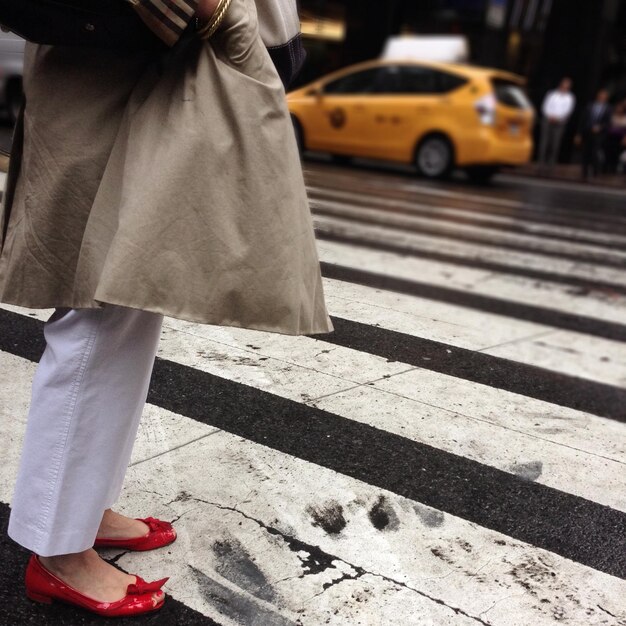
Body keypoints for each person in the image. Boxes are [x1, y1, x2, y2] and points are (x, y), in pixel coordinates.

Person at [0, 0, 333, 617]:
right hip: (119, 70)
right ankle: (57, 550)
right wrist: (212, 13)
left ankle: (83, 507)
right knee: (96, 308)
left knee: (128, 300)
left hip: (147, 64)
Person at [538, 77, 576, 171]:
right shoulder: (552, 94)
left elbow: (568, 111)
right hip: (548, 120)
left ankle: (550, 165)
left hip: (560, 123)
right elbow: (545, 106)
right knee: (544, 143)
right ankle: (540, 163)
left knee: (555, 144)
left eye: (567, 86)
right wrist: (549, 116)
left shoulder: (570, 98)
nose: (564, 87)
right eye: (563, 85)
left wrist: (558, 118)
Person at [576, 88, 613, 180]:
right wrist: (579, 134)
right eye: (600, 96)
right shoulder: (590, 106)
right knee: (585, 152)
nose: (602, 98)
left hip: (599, 134)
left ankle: (595, 171)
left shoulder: (608, 109)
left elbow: (608, 123)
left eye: (604, 96)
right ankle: (584, 172)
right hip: (588, 132)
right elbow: (583, 120)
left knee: (595, 152)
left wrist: (600, 127)